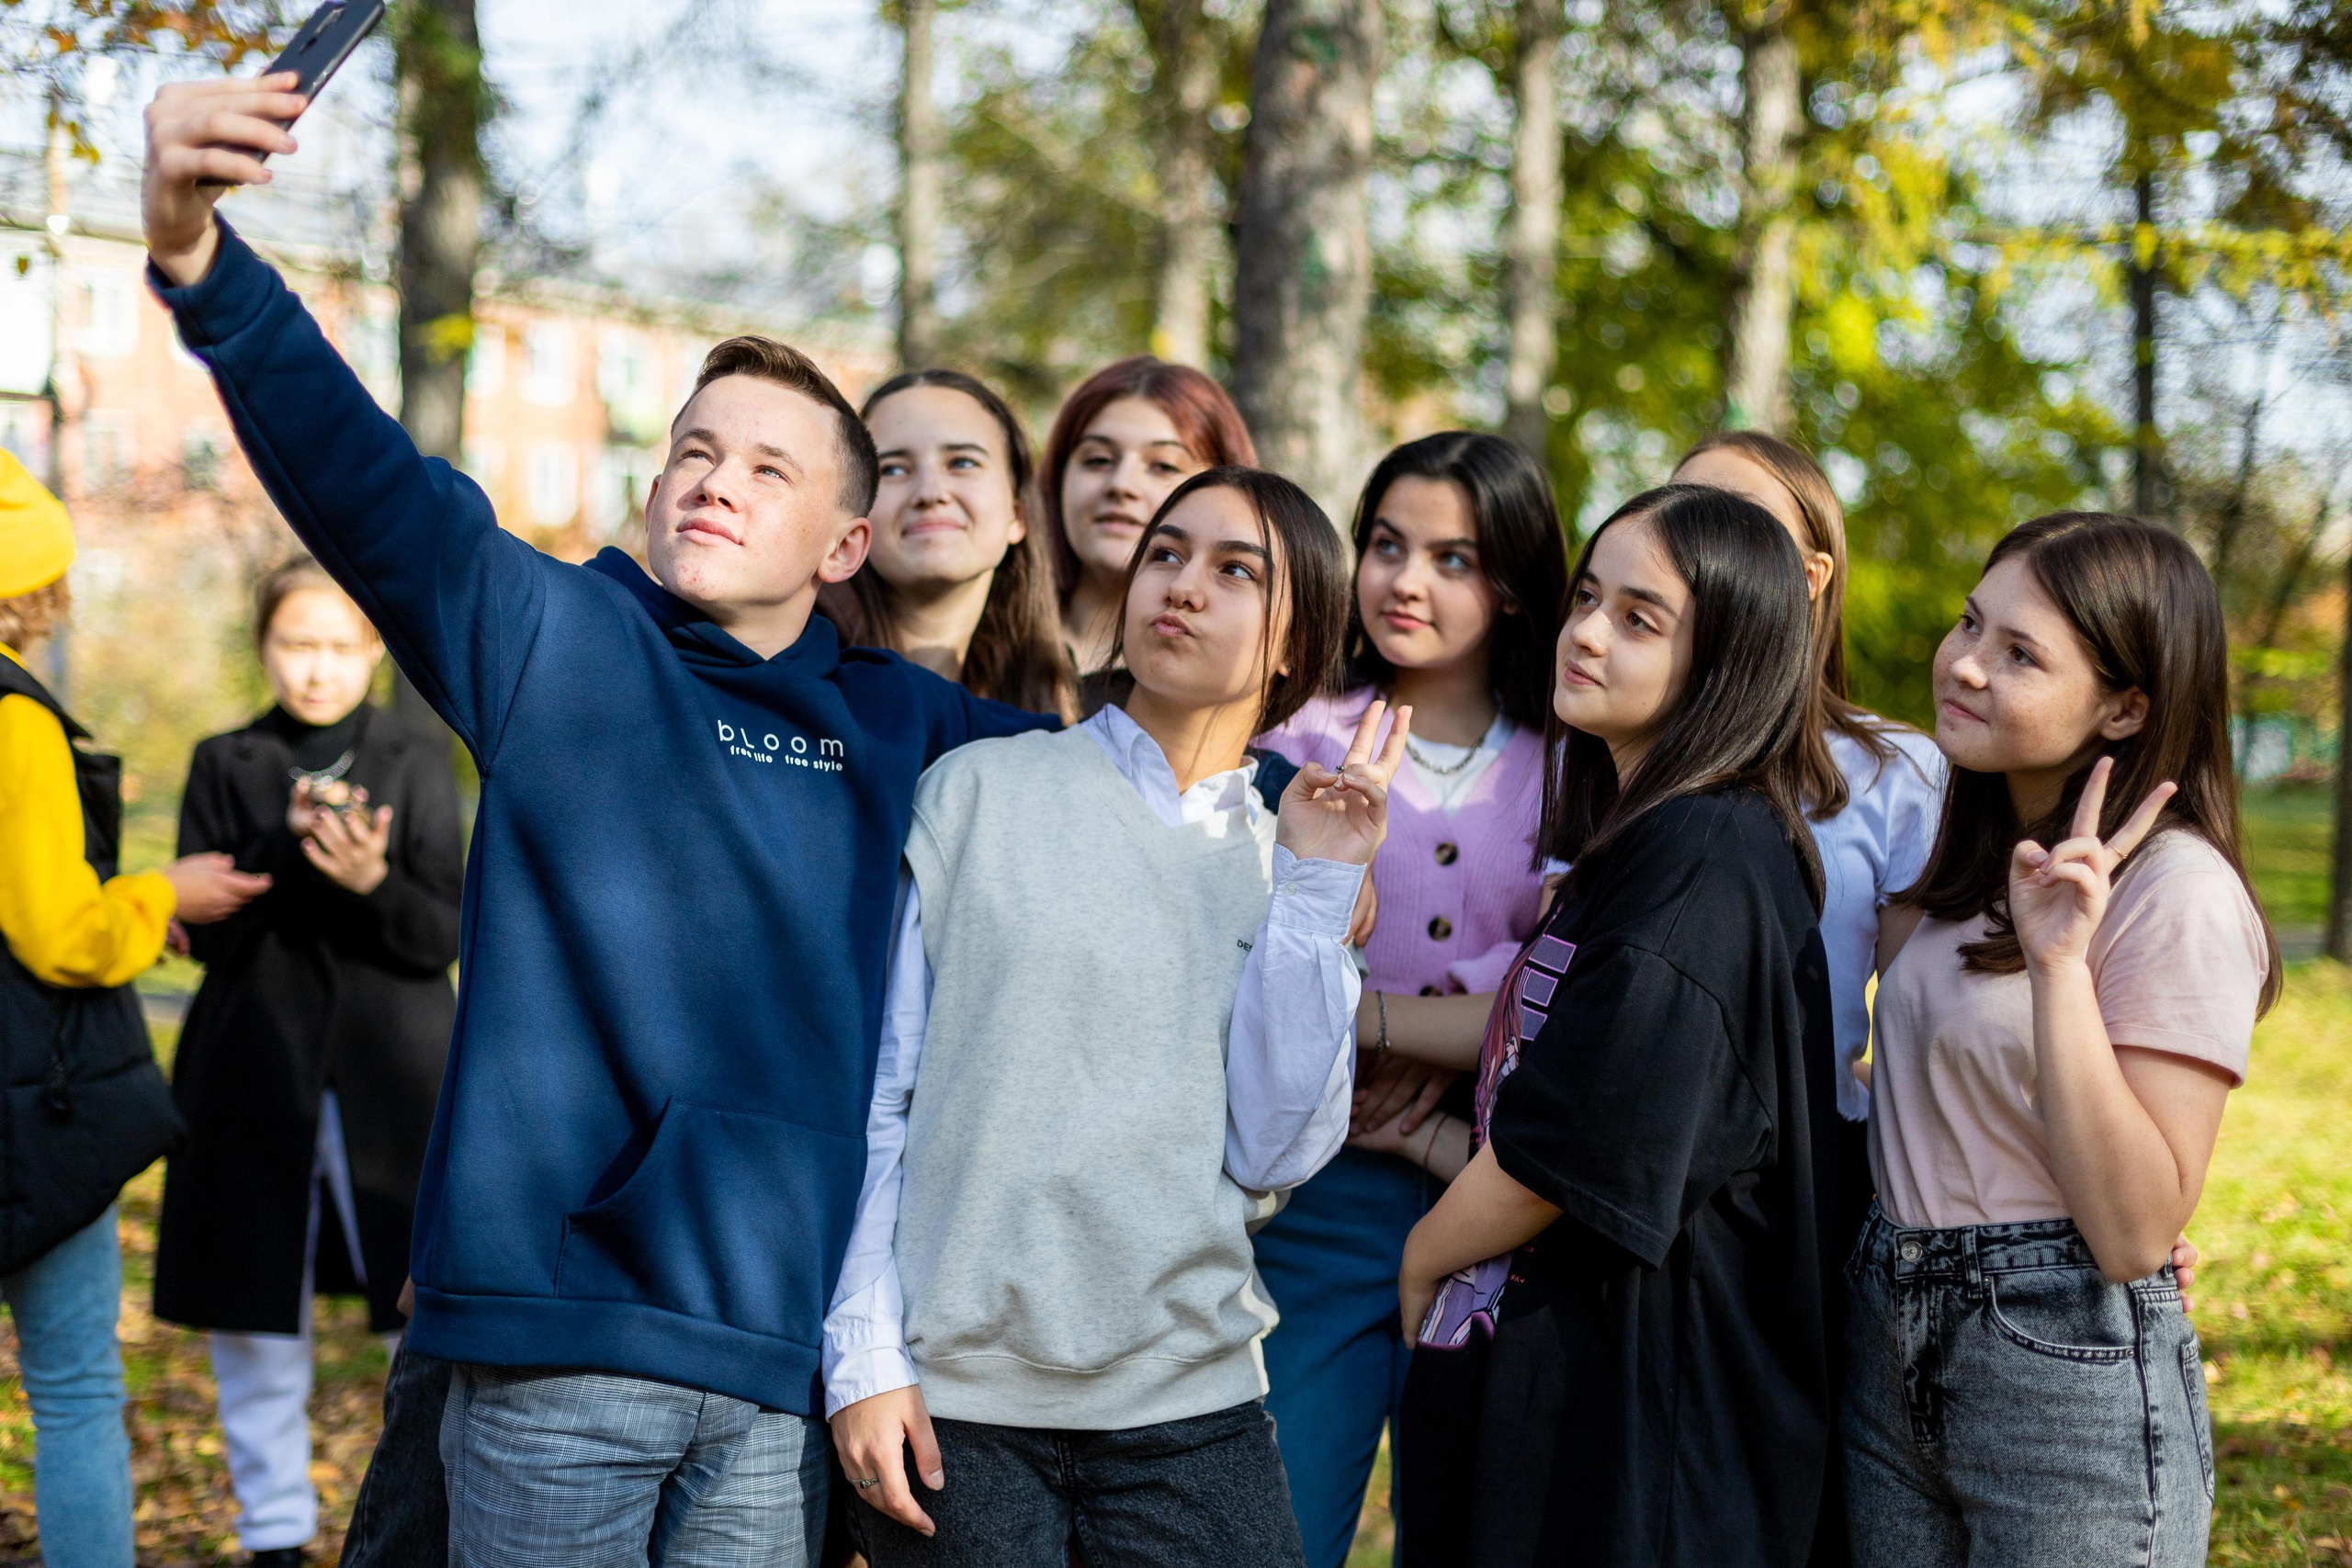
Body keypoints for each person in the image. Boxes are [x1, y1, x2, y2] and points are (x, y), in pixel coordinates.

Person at [141, 75, 1057, 1566]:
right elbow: (362, 476)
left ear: (843, 544)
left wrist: (1305, 831)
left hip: (775, 1370)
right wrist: (199, 258)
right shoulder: (553, 638)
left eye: (767, 468)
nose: (716, 481)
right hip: (555, 1339)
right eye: (696, 450)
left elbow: (1139, 790)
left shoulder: (907, 729)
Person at [826, 468, 1388, 1566]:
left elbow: (1272, 1150)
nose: (1182, 585)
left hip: (1192, 1403)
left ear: (1295, 642)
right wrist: (864, 1360)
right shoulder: (976, 791)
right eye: (1165, 554)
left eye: (1236, 571)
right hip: (956, 1406)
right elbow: (879, 1095)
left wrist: (1316, 892)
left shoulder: (1295, 859)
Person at [1394, 484, 1842, 1567]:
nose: (1587, 633)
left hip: (1638, 1430)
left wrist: (1420, 1256)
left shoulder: (1705, 862)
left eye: (1640, 619)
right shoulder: (1645, 837)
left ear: (1727, 659)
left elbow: (1584, 1142)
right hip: (1551, 1386)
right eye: (1587, 597)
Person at [1846, 513, 2275, 1568]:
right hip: (1883, 1328)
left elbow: (2131, 1234)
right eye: (1969, 624)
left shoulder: (2175, 893)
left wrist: (2059, 967)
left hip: (2057, 1362)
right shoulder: (1965, 857)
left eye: (2019, 654)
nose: (1965, 664)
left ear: (2125, 707)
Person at [1246, 431, 1569, 1568]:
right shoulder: (1289, 734)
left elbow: (1570, 990)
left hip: (1501, 1199)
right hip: (1314, 1198)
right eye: (1386, 545)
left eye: (1451, 559)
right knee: (1276, 1526)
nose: (1404, 580)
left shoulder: (1573, 762)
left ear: (1514, 584)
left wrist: (1374, 1026)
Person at [151, 558, 462, 1567]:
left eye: (338, 645)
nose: (317, 668)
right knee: (253, 1318)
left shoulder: (417, 754)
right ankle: (273, 1535)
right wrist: (281, 851)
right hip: (250, 1076)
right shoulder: (226, 760)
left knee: (422, 1312)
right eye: (295, 643)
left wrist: (372, 880)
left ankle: (419, 1526)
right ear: (263, 647)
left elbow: (445, 933)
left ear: (373, 647)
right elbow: (204, 937)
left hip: (396, 1081)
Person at [0, 450, 268, 1568]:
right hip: (33, 1113)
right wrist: (162, 894)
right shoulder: (16, 722)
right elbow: (60, 935)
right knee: (72, 1389)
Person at [820, 369, 1075, 718]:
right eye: (893, 469)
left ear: (1018, 515)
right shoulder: (792, 671)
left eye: (962, 463)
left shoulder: (1050, 697)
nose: (930, 493)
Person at [1036, 356, 1256, 682]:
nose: (1122, 485)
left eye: (1163, 466)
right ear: (1058, 479)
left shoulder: (1236, 681)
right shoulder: (980, 637)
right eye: (1098, 460)